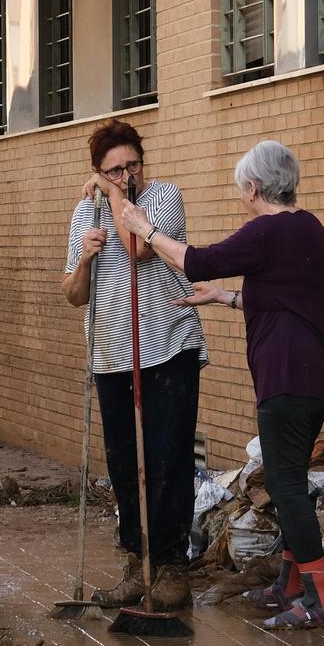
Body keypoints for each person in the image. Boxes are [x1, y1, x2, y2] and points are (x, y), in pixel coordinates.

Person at [119, 140, 324, 629]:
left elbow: (195, 260)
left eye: (241, 189)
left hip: (288, 377)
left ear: (253, 187)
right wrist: (227, 298)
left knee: (285, 484)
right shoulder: (309, 229)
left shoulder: (267, 230)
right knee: (289, 480)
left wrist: (146, 230)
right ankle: (290, 585)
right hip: (319, 375)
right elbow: (290, 300)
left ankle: (320, 600)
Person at [62, 120, 206, 612]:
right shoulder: (85, 215)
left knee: (167, 460)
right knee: (125, 465)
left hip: (167, 350)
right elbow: (74, 295)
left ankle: (171, 568)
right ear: (97, 171)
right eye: (114, 169)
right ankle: (135, 564)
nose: (126, 176)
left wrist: (110, 192)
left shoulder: (164, 197)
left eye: (131, 166)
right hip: (111, 356)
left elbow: (138, 248)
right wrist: (84, 259)